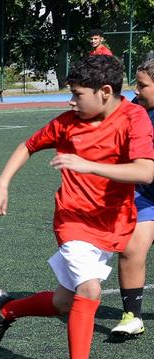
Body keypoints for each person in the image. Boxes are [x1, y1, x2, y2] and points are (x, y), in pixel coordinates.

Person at [0, 55, 154, 359]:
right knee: (90, 291)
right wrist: (1, 183)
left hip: (111, 225)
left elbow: (145, 170)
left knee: (66, 303)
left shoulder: (134, 117)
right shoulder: (67, 124)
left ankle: (8, 308)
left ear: (105, 92)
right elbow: (27, 146)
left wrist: (88, 164)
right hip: (73, 221)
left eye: (77, 94)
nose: (71, 102)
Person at [111, 58, 154, 338]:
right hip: (145, 196)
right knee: (131, 249)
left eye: (143, 85)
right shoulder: (135, 111)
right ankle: (132, 316)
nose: (136, 90)